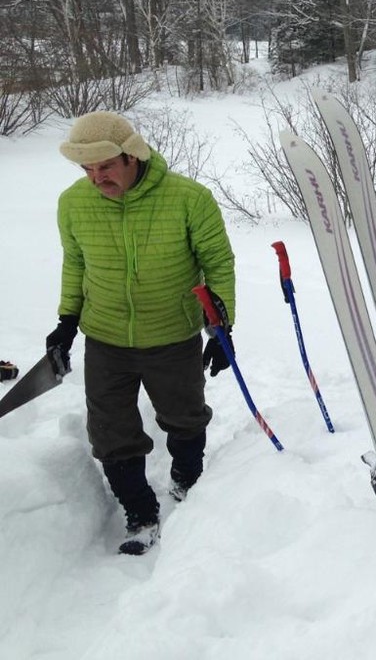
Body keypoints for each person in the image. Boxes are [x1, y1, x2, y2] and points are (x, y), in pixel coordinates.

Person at [49, 111, 236, 554]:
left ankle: (187, 481)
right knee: (110, 433)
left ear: (132, 156)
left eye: (106, 166)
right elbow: (75, 264)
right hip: (106, 337)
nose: (96, 178)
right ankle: (140, 512)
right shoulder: (73, 203)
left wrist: (221, 327)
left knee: (185, 418)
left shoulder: (189, 198)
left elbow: (218, 262)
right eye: (87, 169)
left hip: (172, 334)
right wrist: (66, 321)